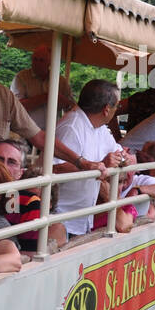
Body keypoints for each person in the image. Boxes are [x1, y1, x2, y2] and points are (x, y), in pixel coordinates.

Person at [0, 38, 102, 173]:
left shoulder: (3, 96)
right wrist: (46, 97)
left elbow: (39, 137)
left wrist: (81, 162)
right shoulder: (21, 79)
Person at [53, 80, 135, 238]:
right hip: (61, 220)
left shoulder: (100, 127)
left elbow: (122, 155)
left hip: (80, 219)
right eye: (117, 106)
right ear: (106, 109)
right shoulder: (71, 126)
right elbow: (55, 168)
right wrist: (101, 165)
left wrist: (121, 159)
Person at [0, 138, 66, 252]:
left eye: (12, 162)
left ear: (20, 173)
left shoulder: (27, 202)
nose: (3, 166)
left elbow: (27, 254)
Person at [11, 44, 75, 132]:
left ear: (50, 62)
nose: (37, 63)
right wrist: (45, 97)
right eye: (35, 59)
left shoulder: (60, 81)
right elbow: (16, 107)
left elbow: (73, 109)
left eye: (41, 60)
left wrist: (65, 103)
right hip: (26, 134)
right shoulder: (21, 78)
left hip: (53, 133)